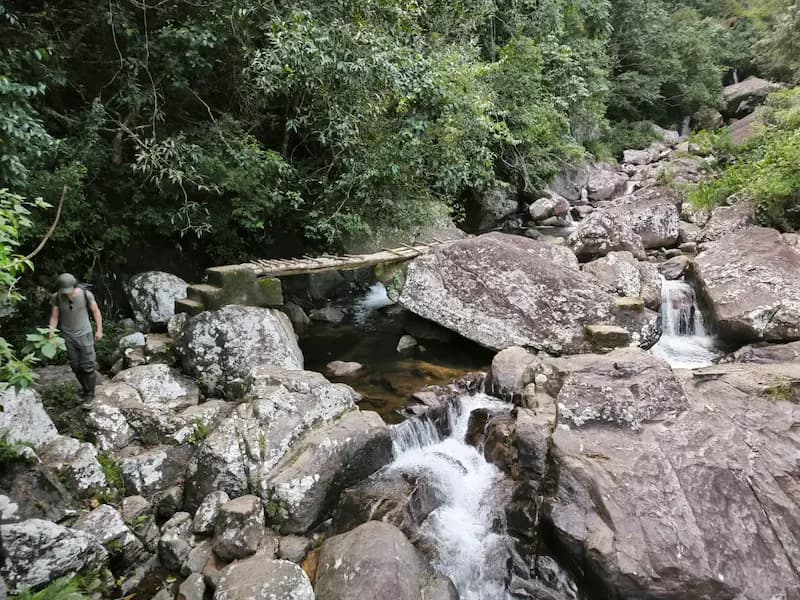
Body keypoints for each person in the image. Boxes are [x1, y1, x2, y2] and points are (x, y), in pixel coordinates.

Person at [48, 273, 103, 396]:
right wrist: (51, 334)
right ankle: (85, 389)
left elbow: (96, 311)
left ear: (74, 285)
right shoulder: (57, 297)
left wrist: (99, 330)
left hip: (85, 334)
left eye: (69, 290)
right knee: (76, 366)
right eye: (64, 291)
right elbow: (54, 317)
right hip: (68, 336)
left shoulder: (85, 294)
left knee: (88, 366)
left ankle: (91, 394)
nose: (67, 293)